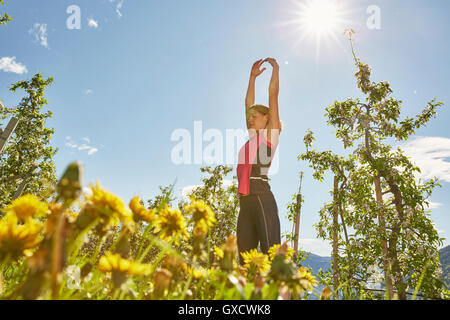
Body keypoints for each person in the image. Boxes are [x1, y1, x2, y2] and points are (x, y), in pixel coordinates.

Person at [236, 57, 282, 265]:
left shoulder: (270, 135)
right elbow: (247, 104)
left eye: (255, 115)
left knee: (272, 256)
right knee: (246, 262)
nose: (250, 118)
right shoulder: (253, 139)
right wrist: (252, 77)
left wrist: (276, 70)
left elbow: (273, 96)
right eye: (249, 116)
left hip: (262, 196)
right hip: (245, 202)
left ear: (267, 117)